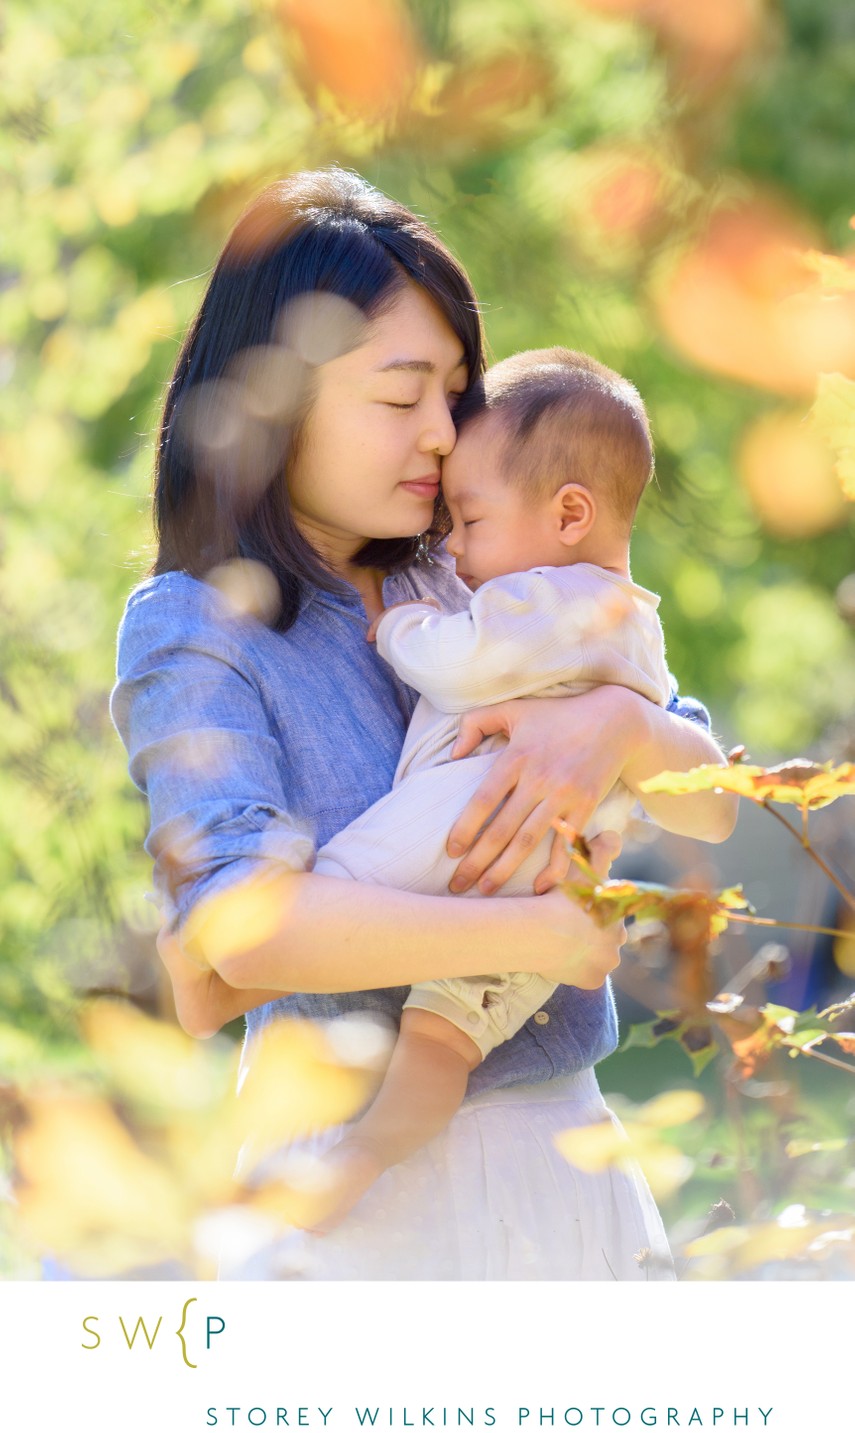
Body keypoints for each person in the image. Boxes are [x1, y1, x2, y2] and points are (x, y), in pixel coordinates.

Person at [111, 168, 737, 1281]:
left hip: (564, 1158)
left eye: (456, 394)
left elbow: (719, 794)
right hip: (356, 1191)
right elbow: (232, 942)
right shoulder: (199, 626)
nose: (446, 434)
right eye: (402, 399)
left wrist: (610, 727)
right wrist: (533, 938)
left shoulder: (473, 575)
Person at [298, 346, 675, 1232]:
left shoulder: (549, 600)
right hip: (547, 882)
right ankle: (363, 1160)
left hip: (475, 829)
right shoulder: (636, 624)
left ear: (568, 514)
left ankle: (297, 932)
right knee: (443, 1039)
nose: (454, 549)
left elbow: (462, 663)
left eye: (469, 521)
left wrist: (401, 623)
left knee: (339, 876)